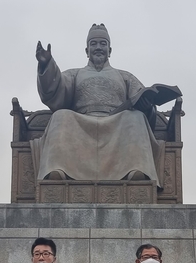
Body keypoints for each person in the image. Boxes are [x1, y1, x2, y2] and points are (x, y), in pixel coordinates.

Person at [31, 24, 181, 184]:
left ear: (110, 50)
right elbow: (55, 90)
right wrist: (47, 65)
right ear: (86, 50)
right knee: (60, 116)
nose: (98, 47)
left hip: (117, 123)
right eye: (93, 44)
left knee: (136, 118)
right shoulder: (75, 74)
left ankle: (136, 170)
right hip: (81, 121)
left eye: (103, 44)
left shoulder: (125, 77)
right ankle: (58, 169)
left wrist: (147, 105)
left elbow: (140, 98)